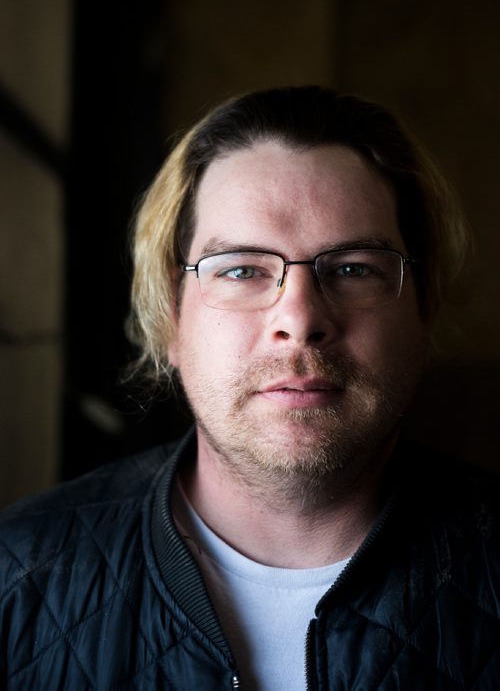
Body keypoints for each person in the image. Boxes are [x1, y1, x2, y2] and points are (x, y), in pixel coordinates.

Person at [1, 85, 499, 691]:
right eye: (240, 269)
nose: (300, 318)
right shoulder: (14, 575)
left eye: (353, 269)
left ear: (424, 313)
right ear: (170, 321)